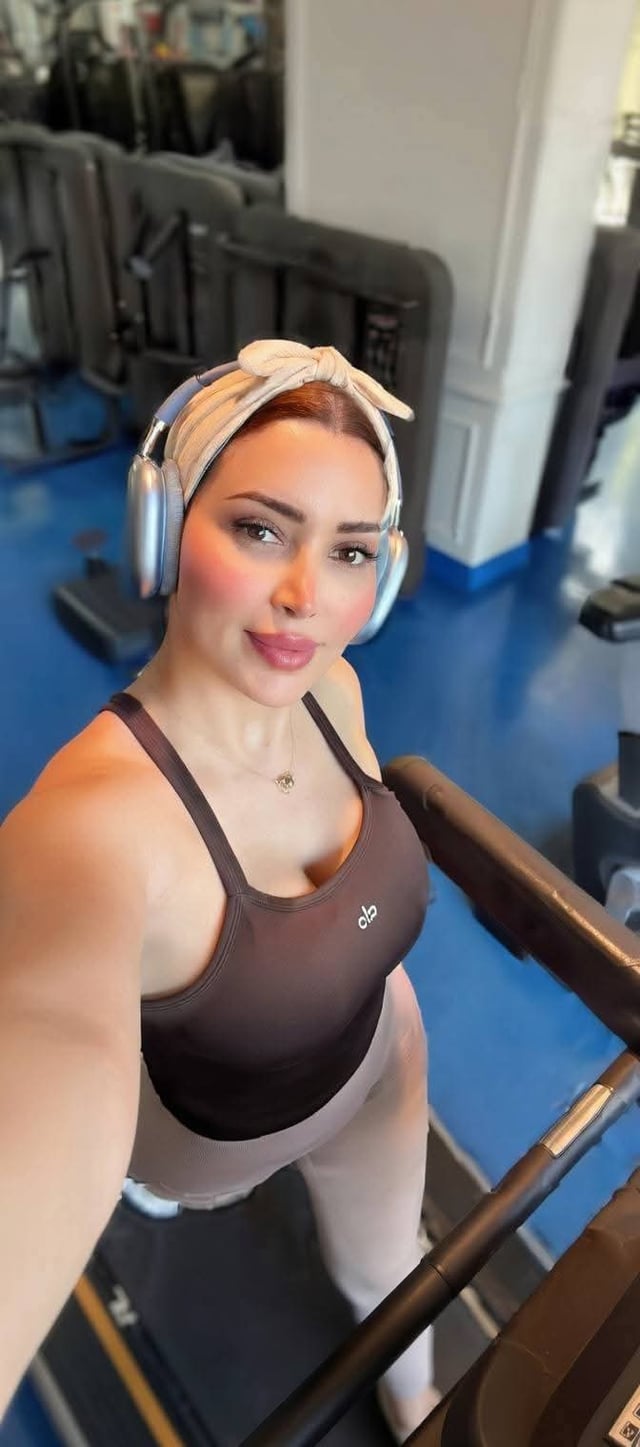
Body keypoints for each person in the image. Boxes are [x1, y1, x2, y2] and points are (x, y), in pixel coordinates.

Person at [0, 339, 438, 1440]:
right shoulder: (85, 833)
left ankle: (418, 1396)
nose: (306, 598)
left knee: (392, 1267)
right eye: (260, 530)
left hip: (382, 1049)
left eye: (349, 551)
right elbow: (47, 1039)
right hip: (216, 1145)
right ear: (163, 529)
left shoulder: (334, 692)